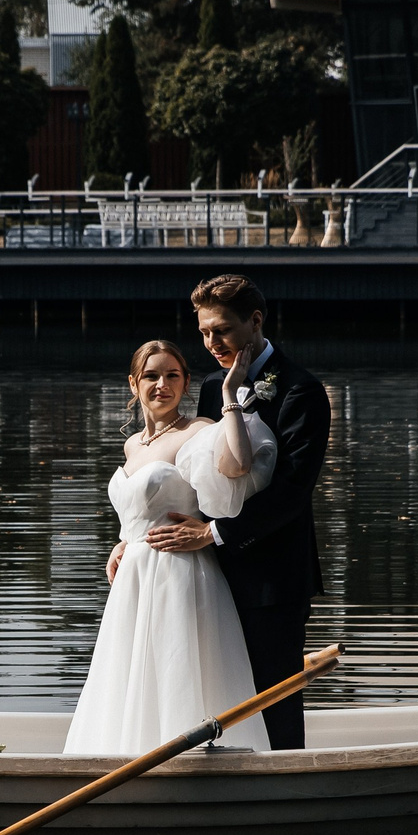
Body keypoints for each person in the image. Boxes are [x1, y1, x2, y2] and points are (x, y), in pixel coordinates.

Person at [140, 274, 330, 751]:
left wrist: (215, 534)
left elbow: (292, 490)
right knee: (214, 691)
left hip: (273, 578)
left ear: (256, 321)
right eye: (204, 333)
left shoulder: (300, 391)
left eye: (221, 330)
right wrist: (136, 536)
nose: (211, 343)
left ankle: (286, 790)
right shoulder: (209, 388)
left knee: (274, 696)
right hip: (210, 577)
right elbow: (191, 476)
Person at [64, 340, 278, 756]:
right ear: (133, 383)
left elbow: (238, 465)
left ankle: (190, 765)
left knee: (176, 666)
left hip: (179, 573)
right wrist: (123, 541)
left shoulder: (196, 431)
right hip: (133, 581)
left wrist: (230, 395)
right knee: (128, 677)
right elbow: (141, 509)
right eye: (151, 375)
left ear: (185, 383)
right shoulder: (132, 445)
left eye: (172, 376)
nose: (162, 385)